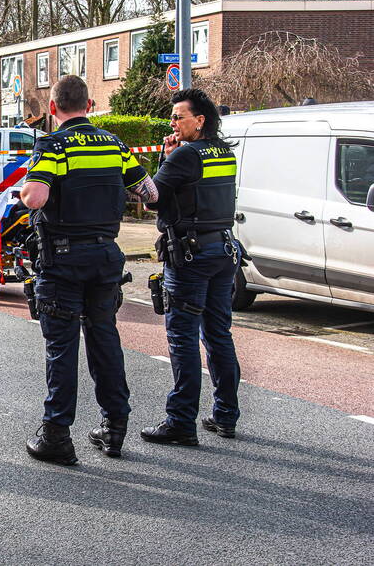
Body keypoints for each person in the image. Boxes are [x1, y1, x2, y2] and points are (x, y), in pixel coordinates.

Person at [20, 75, 157, 465]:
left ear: (52, 108)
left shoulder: (53, 145)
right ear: (90, 105)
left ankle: (57, 435)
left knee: (62, 347)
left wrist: (25, 190)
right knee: (105, 339)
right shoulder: (114, 144)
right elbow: (150, 193)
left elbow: (35, 197)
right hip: (106, 257)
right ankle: (114, 427)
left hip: (63, 260)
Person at [140, 88, 242, 446]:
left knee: (182, 337)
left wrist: (166, 160)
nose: (172, 123)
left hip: (189, 256)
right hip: (222, 251)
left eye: (178, 117)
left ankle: (181, 421)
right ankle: (225, 414)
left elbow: (152, 197)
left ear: (200, 120)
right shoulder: (223, 151)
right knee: (218, 334)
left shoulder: (186, 156)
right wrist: (173, 156)